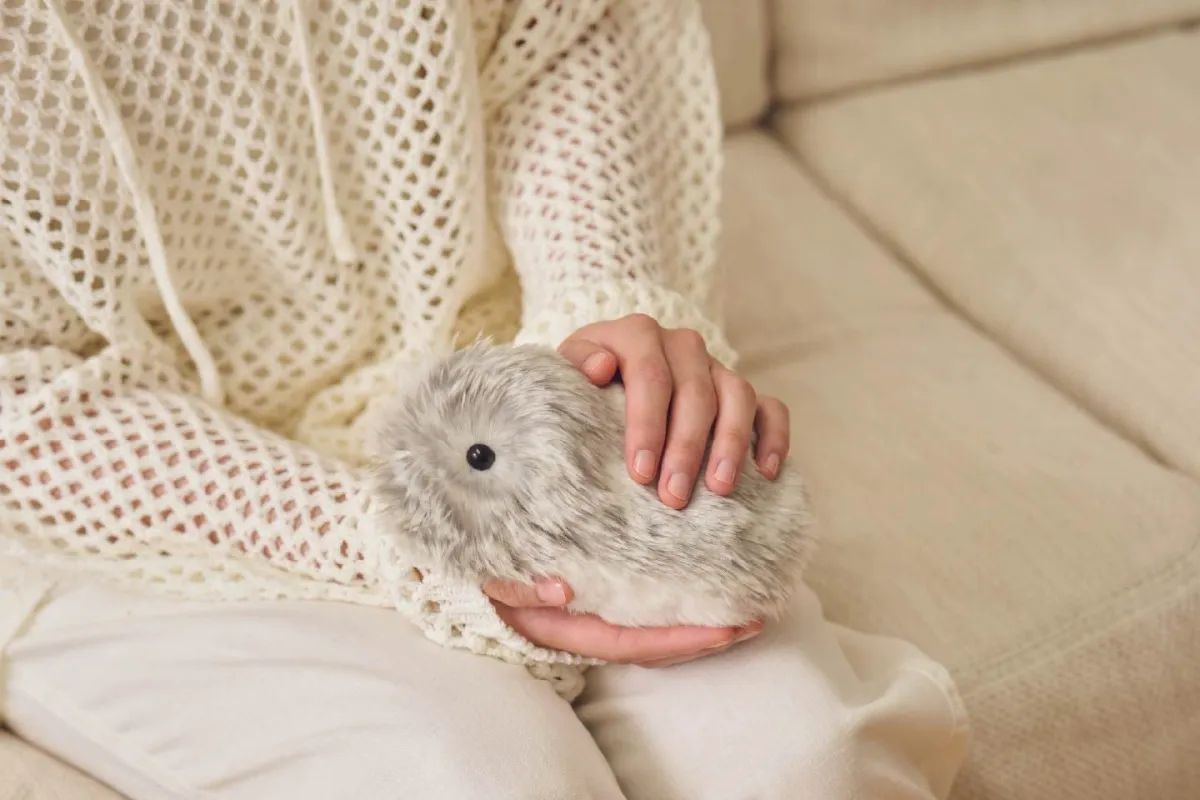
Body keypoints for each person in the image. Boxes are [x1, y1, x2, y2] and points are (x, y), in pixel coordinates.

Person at [0, 1, 969, 798]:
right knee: (493, 779)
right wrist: (397, 546)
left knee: (808, 764)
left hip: (484, 378)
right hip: (101, 503)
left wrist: (599, 323)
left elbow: (555, 32)